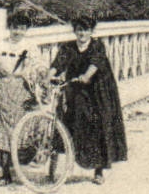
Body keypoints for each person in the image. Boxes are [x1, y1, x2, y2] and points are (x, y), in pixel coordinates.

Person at [50, 15, 127, 184]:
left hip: (98, 91)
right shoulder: (68, 47)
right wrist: (50, 75)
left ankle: (98, 171)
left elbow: (95, 63)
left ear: (91, 31)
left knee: (97, 125)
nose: (82, 33)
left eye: (85, 30)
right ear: (75, 31)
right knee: (63, 119)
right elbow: (58, 63)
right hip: (77, 89)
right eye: (79, 30)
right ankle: (53, 167)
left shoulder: (97, 46)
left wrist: (86, 75)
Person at [0, 15, 39, 184]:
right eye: (15, 27)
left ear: (26, 30)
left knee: (20, 129)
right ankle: (3, 171)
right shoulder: (0, 45)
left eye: (22, 28)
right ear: (9, 27)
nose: (18, 31)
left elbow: (36, 67)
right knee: (1, 130)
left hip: (21, 91)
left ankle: (17, 166)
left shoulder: (31, 47)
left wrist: (30, 72)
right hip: (2, 90)